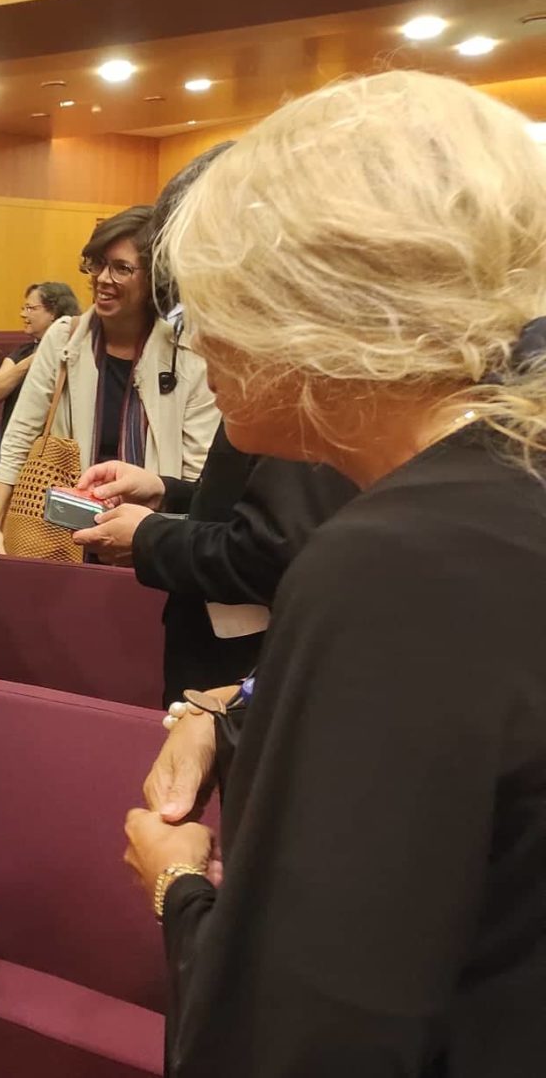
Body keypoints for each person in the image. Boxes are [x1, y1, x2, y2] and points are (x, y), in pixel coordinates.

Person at [122, 71, 546, 1076]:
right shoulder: (500, 491)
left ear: (307, 310)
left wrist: (175, 887)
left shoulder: (389, 561)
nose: (198, 340)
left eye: (212, 302)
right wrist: (235, 711)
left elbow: (310, 1030)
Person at [68, 145, 359, 703]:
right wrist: (165, 490)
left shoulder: (314, 379)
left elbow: (274, 548)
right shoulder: (283, 366)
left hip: (253, 663)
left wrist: (149, 536)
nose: (197, 335)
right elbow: (258, 499)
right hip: (221, 651)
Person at [0, 206, 218, 554]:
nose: (104, 278)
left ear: (157, 277)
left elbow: (197, 473)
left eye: (121, 268)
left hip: (148, 537)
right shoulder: (64, 337)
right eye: (98, 264)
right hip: (59, 534)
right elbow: (20, 435)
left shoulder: (188, 355)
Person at [0, 280, 80, 427]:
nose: (22, 314)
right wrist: (32, 360)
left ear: (53, 312)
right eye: (24, 308)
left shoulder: (76, 351)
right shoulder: (23, 352)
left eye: (30, 308)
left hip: (58, 444)